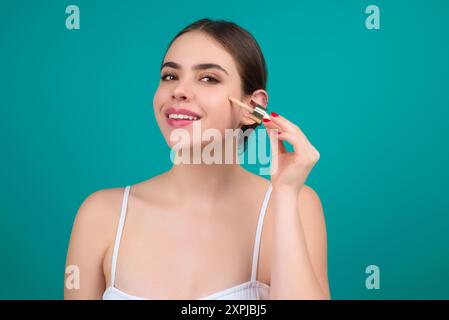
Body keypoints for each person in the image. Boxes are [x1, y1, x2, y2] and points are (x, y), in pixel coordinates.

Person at [64, 18, 329, 300]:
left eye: (208, 78)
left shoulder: (294, 205)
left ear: (251, 108)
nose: (179, 90)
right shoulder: (100, 215)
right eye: (170, 76)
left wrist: (286, 193)